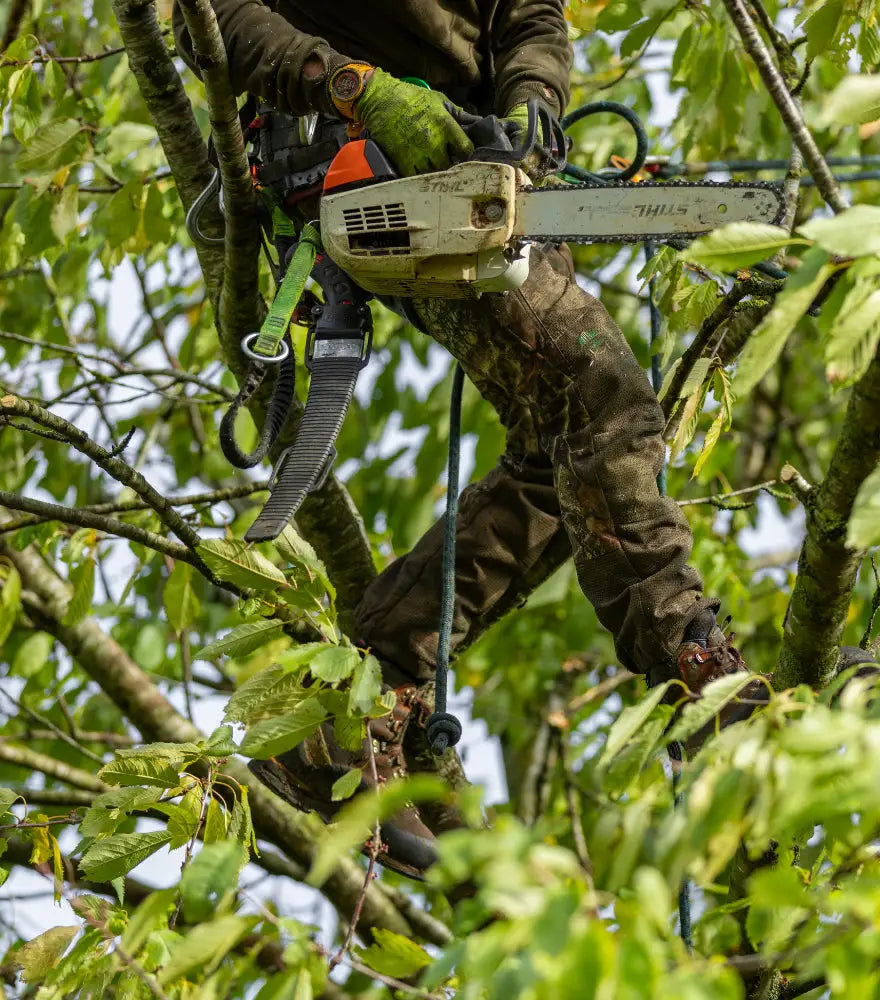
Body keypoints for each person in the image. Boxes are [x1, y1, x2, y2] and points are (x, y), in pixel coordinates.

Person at [173, 0, 751, 877]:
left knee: (565, 470)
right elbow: (208, 16)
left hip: (476, 158)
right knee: (601, 401)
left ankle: (352, 712)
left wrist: (533, 103)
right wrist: (350, 85)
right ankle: (698, 673)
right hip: (351, 147)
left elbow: (530, 18)